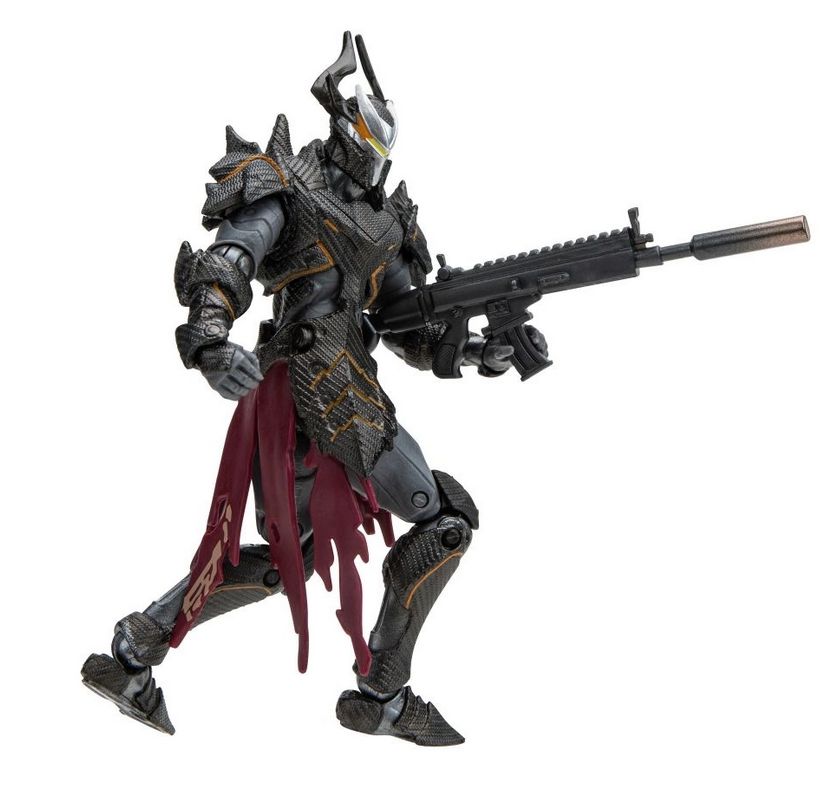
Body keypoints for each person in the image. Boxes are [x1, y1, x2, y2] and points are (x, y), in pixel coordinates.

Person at [81, 31, 547, 746]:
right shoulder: (290, 183)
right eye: (365, 139)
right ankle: (381, 696)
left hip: (330, 392)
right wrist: (211, 340)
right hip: (320, 392)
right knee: (444, 518)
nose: (372, 155)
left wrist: (481, 349)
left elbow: (408, 325)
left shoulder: (385, 222)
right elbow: (230, 259)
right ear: (340, 124)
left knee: (283, 559)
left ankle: (132, 652)